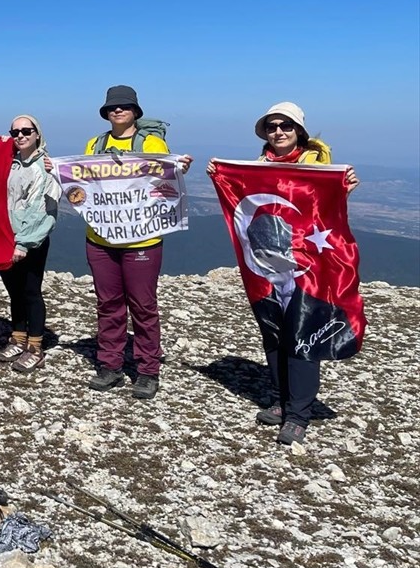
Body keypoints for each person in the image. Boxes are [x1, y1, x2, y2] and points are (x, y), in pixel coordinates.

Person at [206, 101, 359, 444]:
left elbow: (329, 205)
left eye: (286, 126)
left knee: (301, 334)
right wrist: (220, 176)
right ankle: (281, 399)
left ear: (299, 132)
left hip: (308, 268)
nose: (279, 132)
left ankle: (298, 414)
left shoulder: (316, 167)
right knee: (273, 332)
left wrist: (344, 183)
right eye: (272, 126)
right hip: (267, 268)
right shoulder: (257, 168)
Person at [82, 85, 192, 400]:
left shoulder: (151, 142)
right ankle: (110, 365)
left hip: (142, 237)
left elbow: (164, 178)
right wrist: (59, 172)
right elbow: (84, 181)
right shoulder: (95, 143)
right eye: (113, 108)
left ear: (135, 111)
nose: (118, 111)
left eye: (125, 107)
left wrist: (179, 168)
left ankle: (147, 370)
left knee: (143, 306)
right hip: (101, 237)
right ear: (106, 112)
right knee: (108, 304)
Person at [0, 114, 61, 373]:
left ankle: (35, 347)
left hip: (29, 242)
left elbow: (42, 211)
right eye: (15, 132)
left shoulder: (45, 167)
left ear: (37, 134)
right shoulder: (10, 164)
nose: (20, 136)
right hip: (5, 239)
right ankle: (18, 336)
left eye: (26, 131)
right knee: (14, 291)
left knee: (31, 291)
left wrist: (23, 243)